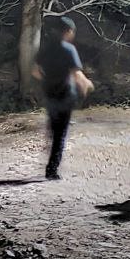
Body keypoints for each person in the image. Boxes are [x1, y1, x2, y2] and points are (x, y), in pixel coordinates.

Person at [33, 16, 93, 180]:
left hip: (50, 93)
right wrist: (86, 85)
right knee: (60, 134)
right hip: (65, 94)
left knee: (54, 129)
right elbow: (76, 73)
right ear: (68, 31)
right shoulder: (68, 49)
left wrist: (47, 80)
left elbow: (35, 71)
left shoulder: (46, 49)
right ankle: (52, 170)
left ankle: (50, 161)